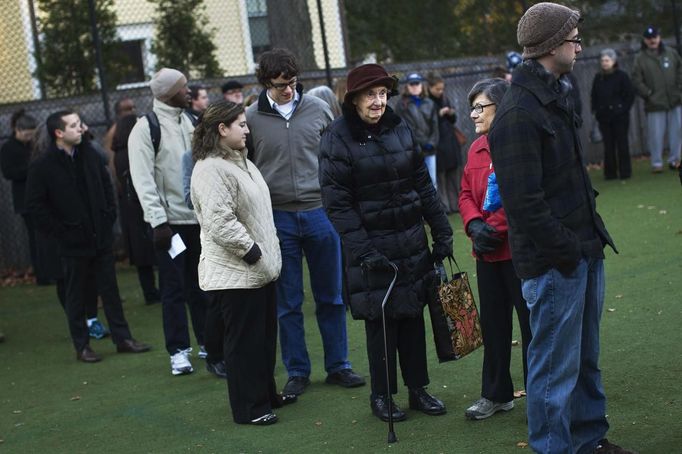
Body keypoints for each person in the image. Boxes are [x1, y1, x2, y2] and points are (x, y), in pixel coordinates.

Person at [488, 4, 633, 453]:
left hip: (582, 250)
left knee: (584, 360)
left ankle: (590, 440)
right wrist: (568, 250)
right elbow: (524, 204)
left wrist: (585, 243)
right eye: (573, 36)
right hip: (555, 263)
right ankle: (555, 448)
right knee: (554, 369)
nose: (579, 44)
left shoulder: (559, 92)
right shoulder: (517, 113)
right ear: (551, 45)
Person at [319, 63, 453, 422]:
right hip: (372, 250)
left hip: (410, 240)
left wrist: (441, 231)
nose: (378, 101)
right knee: (381, 324)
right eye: (370, 95)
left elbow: (423, 184)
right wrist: (365, 251)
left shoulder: (399, 126)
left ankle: (418, 389)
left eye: (382, 94)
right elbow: (338, 204)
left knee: (412, 317)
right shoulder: (337, 137)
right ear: (354, 99)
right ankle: (381, 396)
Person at [246, 48, 365, 396]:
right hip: (278, 218)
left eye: (293, 83)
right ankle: (297, 371)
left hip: (320, 213)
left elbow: (337, 157)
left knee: (331, 296)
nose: (288, 90)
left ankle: (338, 365)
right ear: (266, 82)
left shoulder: (318, 108)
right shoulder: (251, 118)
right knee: (288, 302)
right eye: (281, 85)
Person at [191, 100, 294, 425]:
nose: (247, 130)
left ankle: (266, 396)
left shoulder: (241, 162)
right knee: (244, 343)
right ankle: (249, 409)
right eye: (241, 124)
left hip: (258, 272)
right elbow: (220, 222)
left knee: (262, 339)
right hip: (237, 273)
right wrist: (253, 253)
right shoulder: (210, 169)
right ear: (222, 129)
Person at [25, 110, 151, 362]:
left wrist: (107, 218)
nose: (81, 128)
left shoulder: (91, 155)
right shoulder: (43, 166)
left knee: (111, 291)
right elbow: (36, 207)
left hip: (100, 238)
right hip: (71, 245)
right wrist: (62, 232)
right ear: (58, 133)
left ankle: (123, 338)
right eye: (74, 125)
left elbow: (106, 187)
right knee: (76, 295)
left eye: (80, 123)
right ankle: (82, 346)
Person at [128, 68, 210, 376]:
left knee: (202, 284)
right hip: (169, 225)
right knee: (174, 289)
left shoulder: (191, 120)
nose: (188, 91)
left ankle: (207, 341)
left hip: (198, 219)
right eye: (182, 87)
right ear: (166, 93)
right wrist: (158, 222)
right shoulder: (145, 128)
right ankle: (178, 351)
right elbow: (143, 179)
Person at [458, 78, 531, 420]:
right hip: (486, 254)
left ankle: (542, 395)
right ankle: (497, 394)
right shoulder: (475, 148)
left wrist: (495, 228)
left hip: (518, 253)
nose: (473, 114)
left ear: (500, 108)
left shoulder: (517, 144)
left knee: (532, 326)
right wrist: (474, 225)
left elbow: (522, 193)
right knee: (494, 325)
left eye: (480, 107)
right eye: (471, 107)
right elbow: (464, 194)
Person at [112, 114, 161, 305]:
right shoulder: (133, 151)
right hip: (140, 205)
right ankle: (155, 292)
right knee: (152, 250)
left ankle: (150, 291)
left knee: (142, 256)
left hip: (129, 208)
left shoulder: (118, 153)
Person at [632, 25, 682, 172]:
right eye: (649, 38)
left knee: (677, 132)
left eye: (654, 37)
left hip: (675, 100)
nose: (652, 40)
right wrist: (648, 94)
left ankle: (675, 160)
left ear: (659, 37)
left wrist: (679, 89)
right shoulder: (640, 58)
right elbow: (636, 80)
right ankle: (657, 163)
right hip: (654, 103)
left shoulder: (671, 53)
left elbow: (680, 70)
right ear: (645, 40)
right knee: (655, 135)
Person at [1, 110, 41, 281]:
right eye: (26, 134)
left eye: (31, 135)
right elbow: (9, 173)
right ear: (17, 130)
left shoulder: (33, 145)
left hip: (39, 195)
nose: (29, 138)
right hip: (25, 197)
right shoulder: (8, 148)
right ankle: (41, 273)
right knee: (35, 236)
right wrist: (31, 170)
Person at [590, 48, 635, 180]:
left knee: (622, 144)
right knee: (608, 146)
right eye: (602, 60)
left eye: (607, 60)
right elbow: (594, 96)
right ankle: (610, 173)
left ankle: (625, 172)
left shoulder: (622, 76)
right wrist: (596, 111)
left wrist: (623, 109)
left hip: (620, 117)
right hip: (604, 118)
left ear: (614, 61)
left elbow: (630, 95)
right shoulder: (598, 78)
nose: (604, 63)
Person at [391, 72, 439, 188]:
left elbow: (435, 126)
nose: (415, 86)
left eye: (417, 83)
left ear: (421, 85)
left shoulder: (430, 103)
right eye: (412, 84)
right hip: (412, 151)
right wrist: (420, 143)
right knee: (416, 183)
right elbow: (404, 128)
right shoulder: (402, 105)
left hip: (429, 150)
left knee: (432, 181)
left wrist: (432, 143)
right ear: (407, 86)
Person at [427, 73, 461, 213]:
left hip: (450, 141)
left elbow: (453, 120)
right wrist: (438, 115)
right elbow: (427, 123)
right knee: (440, 178)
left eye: (442, 89)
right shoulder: (427, 102)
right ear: (429, 88)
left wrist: (451, 113)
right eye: (437, 89)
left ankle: (456, 205)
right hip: (437, 143)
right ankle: (445, 207)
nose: (440, 92)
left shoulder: (445, 99)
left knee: (453, 176)